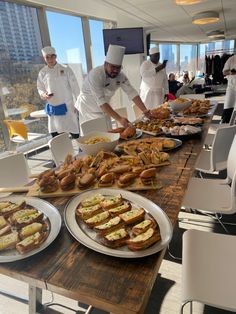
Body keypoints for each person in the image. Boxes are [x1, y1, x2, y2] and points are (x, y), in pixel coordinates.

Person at [75, 44, 151, 129]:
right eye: (113, 67)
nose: (115, 70)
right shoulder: (96, 75)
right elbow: (101, 102)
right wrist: (120, 119)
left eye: (118, 68)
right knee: (93, 138)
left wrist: (144, 110)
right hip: (88, 109)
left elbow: (132, 93)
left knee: (107, 134)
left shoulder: (121, 76)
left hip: (105, 109)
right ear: (105, 64)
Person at [37, 46, 80, 138]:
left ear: (56, 56)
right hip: (53, 108)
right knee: (56, 135)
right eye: (47, 57)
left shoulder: (66, 69)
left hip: (68, 107)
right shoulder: (42, 73)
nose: (50, 59)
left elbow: (75, 87)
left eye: (52, 56)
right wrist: (44, 94)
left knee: (74, 133)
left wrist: (78, 103)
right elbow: (40, 88)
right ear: (44, 59)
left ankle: (82, 151)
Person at [221, 54, 236, 123]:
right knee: (228, 106)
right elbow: (224, 72)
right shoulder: (231, 59)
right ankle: (225, 123)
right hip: (232, 88)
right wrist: (231, 72)